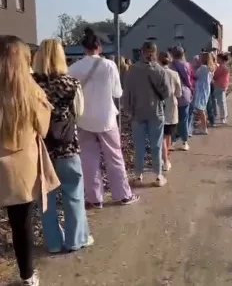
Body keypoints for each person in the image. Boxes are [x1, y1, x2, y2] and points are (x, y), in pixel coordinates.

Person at [0, 35, 60, 286]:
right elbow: (44, 128)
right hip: (20, 170)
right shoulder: (31, 90)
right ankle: (27, 275)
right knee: (20, 223)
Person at [32, 39, 94, 254]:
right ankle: (76, 239)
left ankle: (54, 242)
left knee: (45, 197)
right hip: (67, 146)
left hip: (39, 149)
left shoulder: (30, 84)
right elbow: (79, 113)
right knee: (73, 193)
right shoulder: (70, 83)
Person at [68, 28, 139, 208]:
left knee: (89, 159)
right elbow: (117, 92)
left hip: (84, 119)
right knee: (114, 156)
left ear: (83, 48)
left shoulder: (73, 68)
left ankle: (94, 198)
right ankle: (122, 195)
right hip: (106, 118)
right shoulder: (109, 65)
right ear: (99, 47)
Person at [123, 42, 171, 186]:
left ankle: (138, 175)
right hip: (156, 112)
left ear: (141, 52)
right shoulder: (160, 70)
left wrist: (128, 111)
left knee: (139, 146)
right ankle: (158, 176)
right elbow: (167, 92)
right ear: (155, 53)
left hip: (137, 113)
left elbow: (127, 93)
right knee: (156, 145)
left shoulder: (132, 70)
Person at [158, 51, 181, 171]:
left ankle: (164, 159)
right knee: (168, 134)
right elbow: (179, 92)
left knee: (161, 136)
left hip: (159, 107)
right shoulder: (174, 74)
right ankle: (166, 159)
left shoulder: (157, 73)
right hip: (171, 106)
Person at [170, 47, 193, 151]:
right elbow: (188, 80)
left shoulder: (169, 65)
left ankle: (172, 140)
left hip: (172, 95)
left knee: (173, 119)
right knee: (184, 119)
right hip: (184, 95)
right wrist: (191, 88)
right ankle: (184, 141)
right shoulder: (186, 65)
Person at [193, 52, 215, 135]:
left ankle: (204, 128)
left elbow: (195, 75)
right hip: (206, 88)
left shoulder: (203, 68)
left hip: (201, 89)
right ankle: (203, 126)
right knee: (202, 108)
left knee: (200, 109)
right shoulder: (210, 68)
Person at [213, 53, 231, 124]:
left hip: (220, 85)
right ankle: (224, 116)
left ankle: (223, 117)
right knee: (222, 102)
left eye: (218, 58)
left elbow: (215, 76)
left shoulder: (221, 68)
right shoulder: (225, 67)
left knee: (220, 102)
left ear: (221, 59)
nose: (217, 60)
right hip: (223, 85)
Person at [206, 54, 218, 127]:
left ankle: (211, 119)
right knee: (213, 100)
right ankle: (214, 115)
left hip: (209, 84)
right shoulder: (214, 65)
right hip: (213, 84)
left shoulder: (207, 67)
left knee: (209, 103)